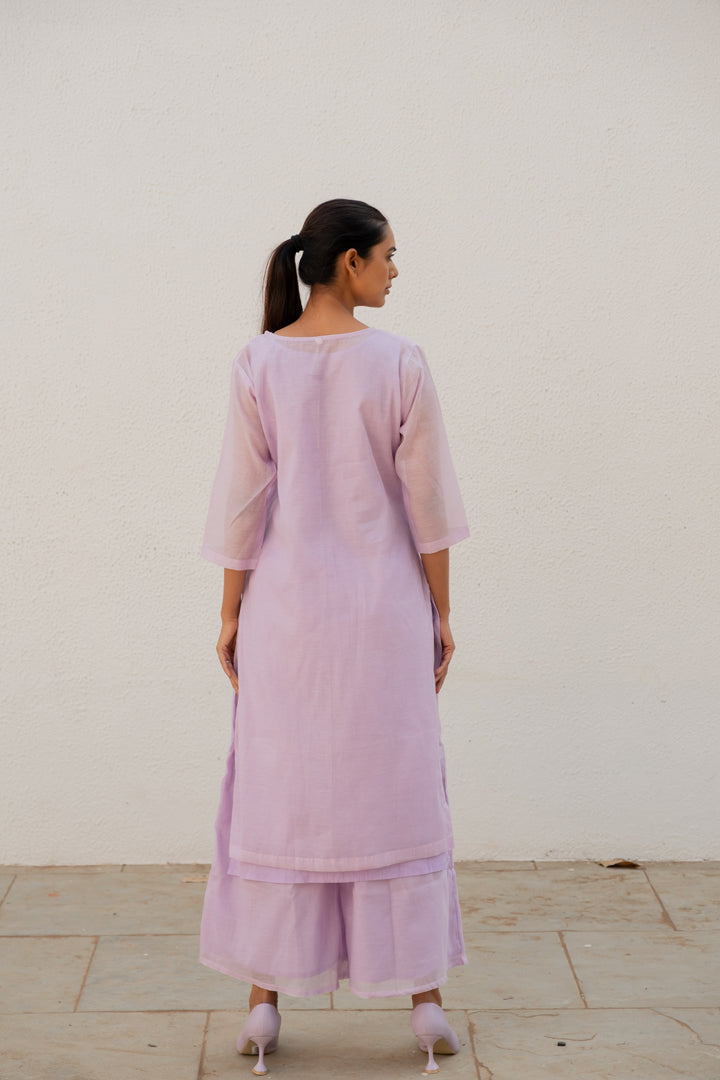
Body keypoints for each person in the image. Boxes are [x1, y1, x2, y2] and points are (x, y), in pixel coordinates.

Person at [198, 198, 471, 1074]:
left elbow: (241, 503)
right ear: (349, 261)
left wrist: (232, 612)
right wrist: (442, 611)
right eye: (388, 255)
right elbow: (428, 502)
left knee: (281, 798)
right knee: (398, 792)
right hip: (380, 616)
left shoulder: (258, 362)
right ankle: (425, 1003)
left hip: (286, 618)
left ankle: (263, 1004)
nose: (395, 270)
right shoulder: (398, 361)